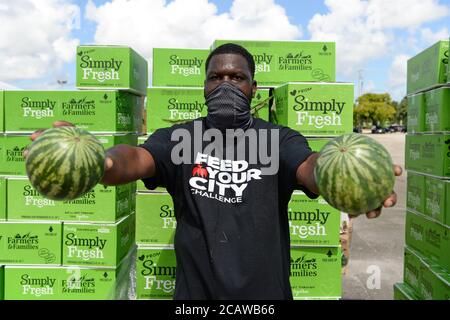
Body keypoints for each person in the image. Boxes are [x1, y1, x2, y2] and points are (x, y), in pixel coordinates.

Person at [29, 43, 402, 300]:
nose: (225, 84)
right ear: (205, 87)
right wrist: (100, 162)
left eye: (236, 78)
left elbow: (310, 168)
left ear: (253, 89)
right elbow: (135, 159)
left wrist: (351, 174)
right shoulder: (179, 138)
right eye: (216, 77)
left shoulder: (279, 139)